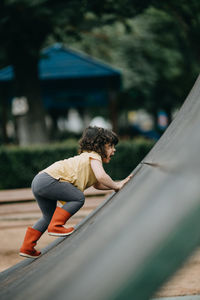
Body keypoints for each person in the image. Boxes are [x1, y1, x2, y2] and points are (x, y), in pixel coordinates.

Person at [19, 126, 132, 259]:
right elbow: (102, 176)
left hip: (39, 181)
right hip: (49, 180)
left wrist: (115, 185)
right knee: (78, 197)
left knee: (48, 216)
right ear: (99, 146)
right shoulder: (94, 156)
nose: (114, 150)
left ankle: (27, 247)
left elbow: (98, 183)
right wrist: (116, 185)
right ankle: (56, 226)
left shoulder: (86, 159)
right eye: (111, 146)